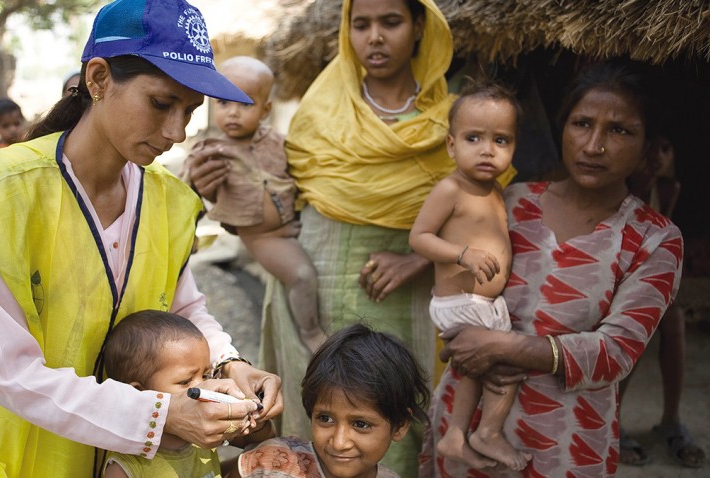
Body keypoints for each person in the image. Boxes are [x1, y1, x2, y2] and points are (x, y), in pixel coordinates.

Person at [0, 1, 283, 476]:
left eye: (191, 110)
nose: (177, 132)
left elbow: (181, 308)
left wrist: (228, 364)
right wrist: (160, 416)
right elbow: (10, 371)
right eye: (161, 103)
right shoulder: (1, 192)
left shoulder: (170, 200)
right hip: (21, 453)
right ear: (97, 80)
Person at [187, 1, 514, 474]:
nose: (375, 37)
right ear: (346, 31)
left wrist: (418, 260)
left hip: (411, 297)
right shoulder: (320, 110)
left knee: (398, 412)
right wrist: (213, 185)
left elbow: (484, 207)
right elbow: (271, 203)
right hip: (313, 292)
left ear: (420, 26)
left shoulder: (455, 120)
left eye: (391, 22)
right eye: (361, 24)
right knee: (319, 419)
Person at [423, 60, 684, 477]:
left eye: (619, 130)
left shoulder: (654, 238)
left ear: (648, 146)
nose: (593, 145)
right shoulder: (513, 200)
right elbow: (458, 257)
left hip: (564, 440)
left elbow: (615, 352)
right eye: (581, 123)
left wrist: (500, 346)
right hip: (464, 423)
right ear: (561, 129)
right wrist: (412, 265)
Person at [409, 82, 529, 471]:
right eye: (473, 138)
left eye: (501, 139)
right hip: (460, 301)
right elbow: (419, 238)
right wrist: (463, 254)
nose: (487, 149)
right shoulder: (451, 189)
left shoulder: (495, 189)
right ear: (450, 145)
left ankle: (458, 435)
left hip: (483, 303)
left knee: (485, 370)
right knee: (502, 364)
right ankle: (485, 433)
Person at [184, 56, 325, 352]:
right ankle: (310, 332)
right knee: (302, 276)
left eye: (245, 104)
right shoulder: (211, 151)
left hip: (291, 222)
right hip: (262, 235)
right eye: (224, 103)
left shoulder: (277, 141)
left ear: (266, 109)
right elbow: (186, 189)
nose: (233, 113)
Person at [231, 323, 430, 478]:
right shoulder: (273, 464)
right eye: (325, 418)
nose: (340, 442)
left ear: (400, 426)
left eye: (361, 424)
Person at [101, 310, 275, 478]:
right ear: (139, 393)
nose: (206, 386)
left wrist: (256, 420)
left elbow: (260, 442)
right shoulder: (127, 468)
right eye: (185, 382)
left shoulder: (206, 430)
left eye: (206, 375)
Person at [619, 136, 706, 468]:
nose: (656, 156)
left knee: (673, 317)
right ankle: (610, 421)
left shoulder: (669, 190)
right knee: (638, 318)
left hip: (643, 273)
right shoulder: (618, 188)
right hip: (613, 274)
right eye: (649, 146)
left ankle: (671, 420)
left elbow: (662, 241)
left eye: (666, 148)